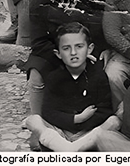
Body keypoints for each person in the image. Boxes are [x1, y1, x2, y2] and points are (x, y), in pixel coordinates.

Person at [22, 0, 108, 118]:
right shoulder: (39, 3)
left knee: (103, 74)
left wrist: (100, 49)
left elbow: (102, 31)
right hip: (54, 53)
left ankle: (95, 118)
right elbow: (39, 42)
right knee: (36, 75)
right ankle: (38, 120)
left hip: (88, 53)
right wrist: (64, 57)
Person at [25, 22, 120, 152]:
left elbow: (104, 111)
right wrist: (76, 119)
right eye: (66, 48)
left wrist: (82, 127)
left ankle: (67, 150)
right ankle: (72, 149)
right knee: (34, 120)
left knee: (114, 121)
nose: (73, 53)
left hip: (88, 133)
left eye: (79, 46)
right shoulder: (54, 77)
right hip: (61, 132)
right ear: (58, 53)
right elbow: (49, 112)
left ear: (90, 49)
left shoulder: (98, 75)